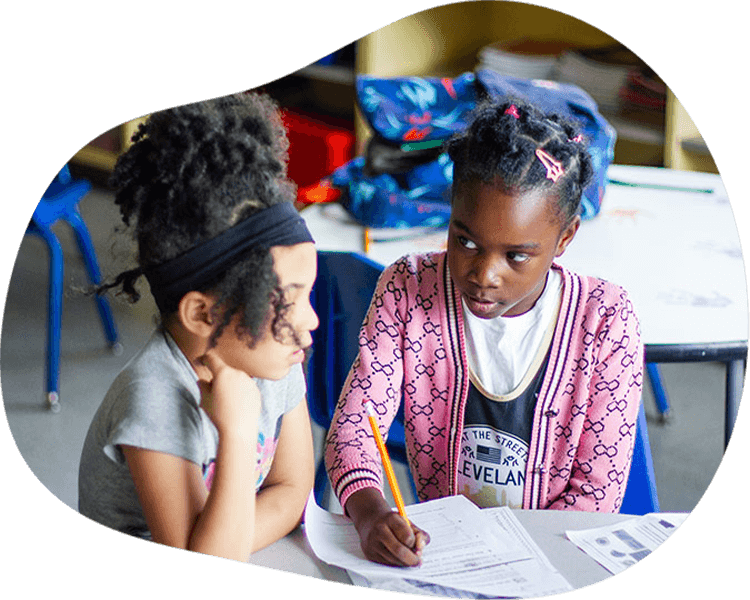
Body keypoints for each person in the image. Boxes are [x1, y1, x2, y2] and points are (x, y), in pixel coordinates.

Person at [324, 99, 644, 567]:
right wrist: (372, 515)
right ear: (450, 214)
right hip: (442, 559)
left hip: (552, 563)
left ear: (565, 238)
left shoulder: (605, 322)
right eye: (466, 241)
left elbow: (596, 492)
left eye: (517, 256)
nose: (484, 274)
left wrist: (515, 566)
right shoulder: (408, 288)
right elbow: (354, 430)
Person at [78, 93, 319, 562]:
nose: (309, 320)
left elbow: (293, 490)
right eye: (289, 300)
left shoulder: (275, 357)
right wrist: (240, 428)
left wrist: (226, 533)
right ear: (202, 315)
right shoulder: (153, 396)